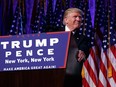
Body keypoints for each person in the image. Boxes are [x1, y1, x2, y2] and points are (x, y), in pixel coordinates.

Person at [62, 8, 90, 87]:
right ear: (66, 20)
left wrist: (82, 52)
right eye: (75, 16)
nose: (78, 19)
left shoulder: (83, 38)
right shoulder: (53, 32)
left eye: (80, 17)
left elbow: (84, 49)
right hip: (51, 77)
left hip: (72, 81)